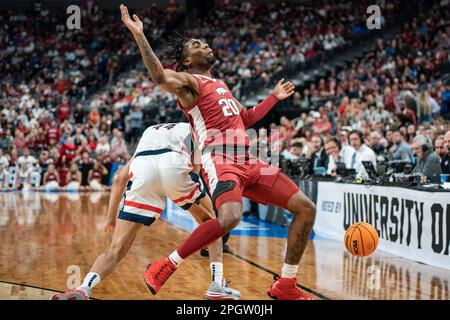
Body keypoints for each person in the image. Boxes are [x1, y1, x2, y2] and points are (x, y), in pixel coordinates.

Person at [120, 5, 316, 300]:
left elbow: (245, 119)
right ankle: (166, 264)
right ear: (187, 60)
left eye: (205, 42)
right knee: (229, 218)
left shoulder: (221, 84)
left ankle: (286, 284)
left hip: (249, 160)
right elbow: (160, 77)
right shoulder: (189, 83)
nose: (206, 45)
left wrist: (273, 98)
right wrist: (139, 36)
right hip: (220, 159)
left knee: (305, 208)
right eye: (198, 44)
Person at [51, 123, 240, 300]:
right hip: (174, 163)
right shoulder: (193, 128)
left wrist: (110, 221)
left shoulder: (150, 133)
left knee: (115, 249)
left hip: (143, 168)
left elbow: (118, 179)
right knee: (212, 223)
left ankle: (83, 288)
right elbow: (196, 171)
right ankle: (217, 283)